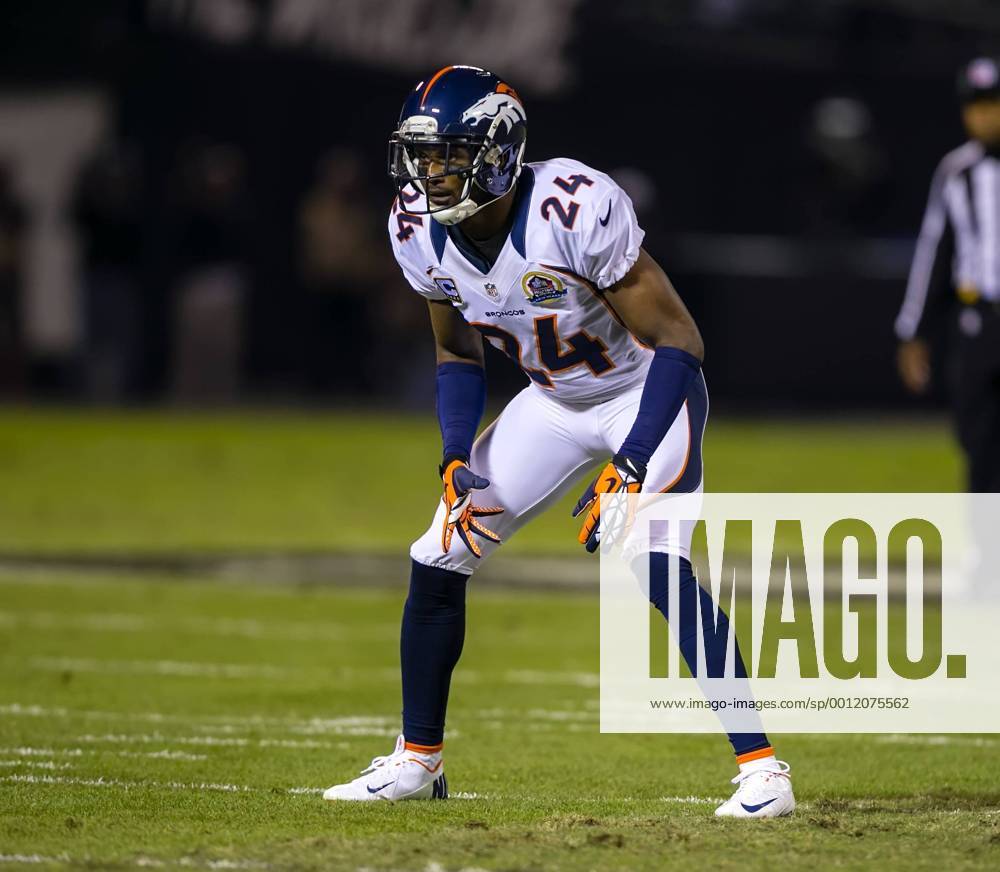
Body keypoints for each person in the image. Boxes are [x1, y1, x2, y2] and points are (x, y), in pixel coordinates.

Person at [323, 66, 795, 818]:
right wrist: (452, 454)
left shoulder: (570, 207)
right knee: (438, 551)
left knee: (655, 560)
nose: (430, 175)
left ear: (499, 152)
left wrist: (630, 463)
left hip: (644, 392)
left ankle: (765, 772)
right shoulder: (416, 229)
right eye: (423, 155)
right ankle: (419, 761)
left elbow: (680, 339)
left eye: (447, 155)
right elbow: (456, 352)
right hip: (553, 400)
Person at [896, 56, 1000, 492]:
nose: (983, 115)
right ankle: (986, 554)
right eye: (974, 105)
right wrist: (912, 331)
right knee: (977, 439)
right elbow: (933, 253)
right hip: (978, 323)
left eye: (992, 103)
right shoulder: (957, 172)